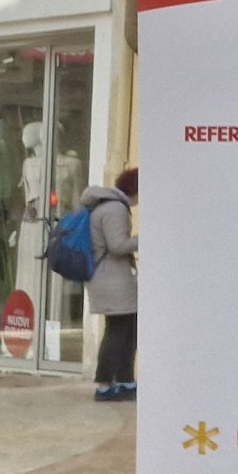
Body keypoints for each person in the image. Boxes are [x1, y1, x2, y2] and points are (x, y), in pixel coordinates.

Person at [83, 167, 138, 401]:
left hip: (108, 278)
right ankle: (105, 384)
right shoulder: (115, 209)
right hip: (113, 280)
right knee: (118, 333)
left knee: (126, 330)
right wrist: (144, 239)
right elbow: (117, 246)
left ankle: (124, 381)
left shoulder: (105, 205)